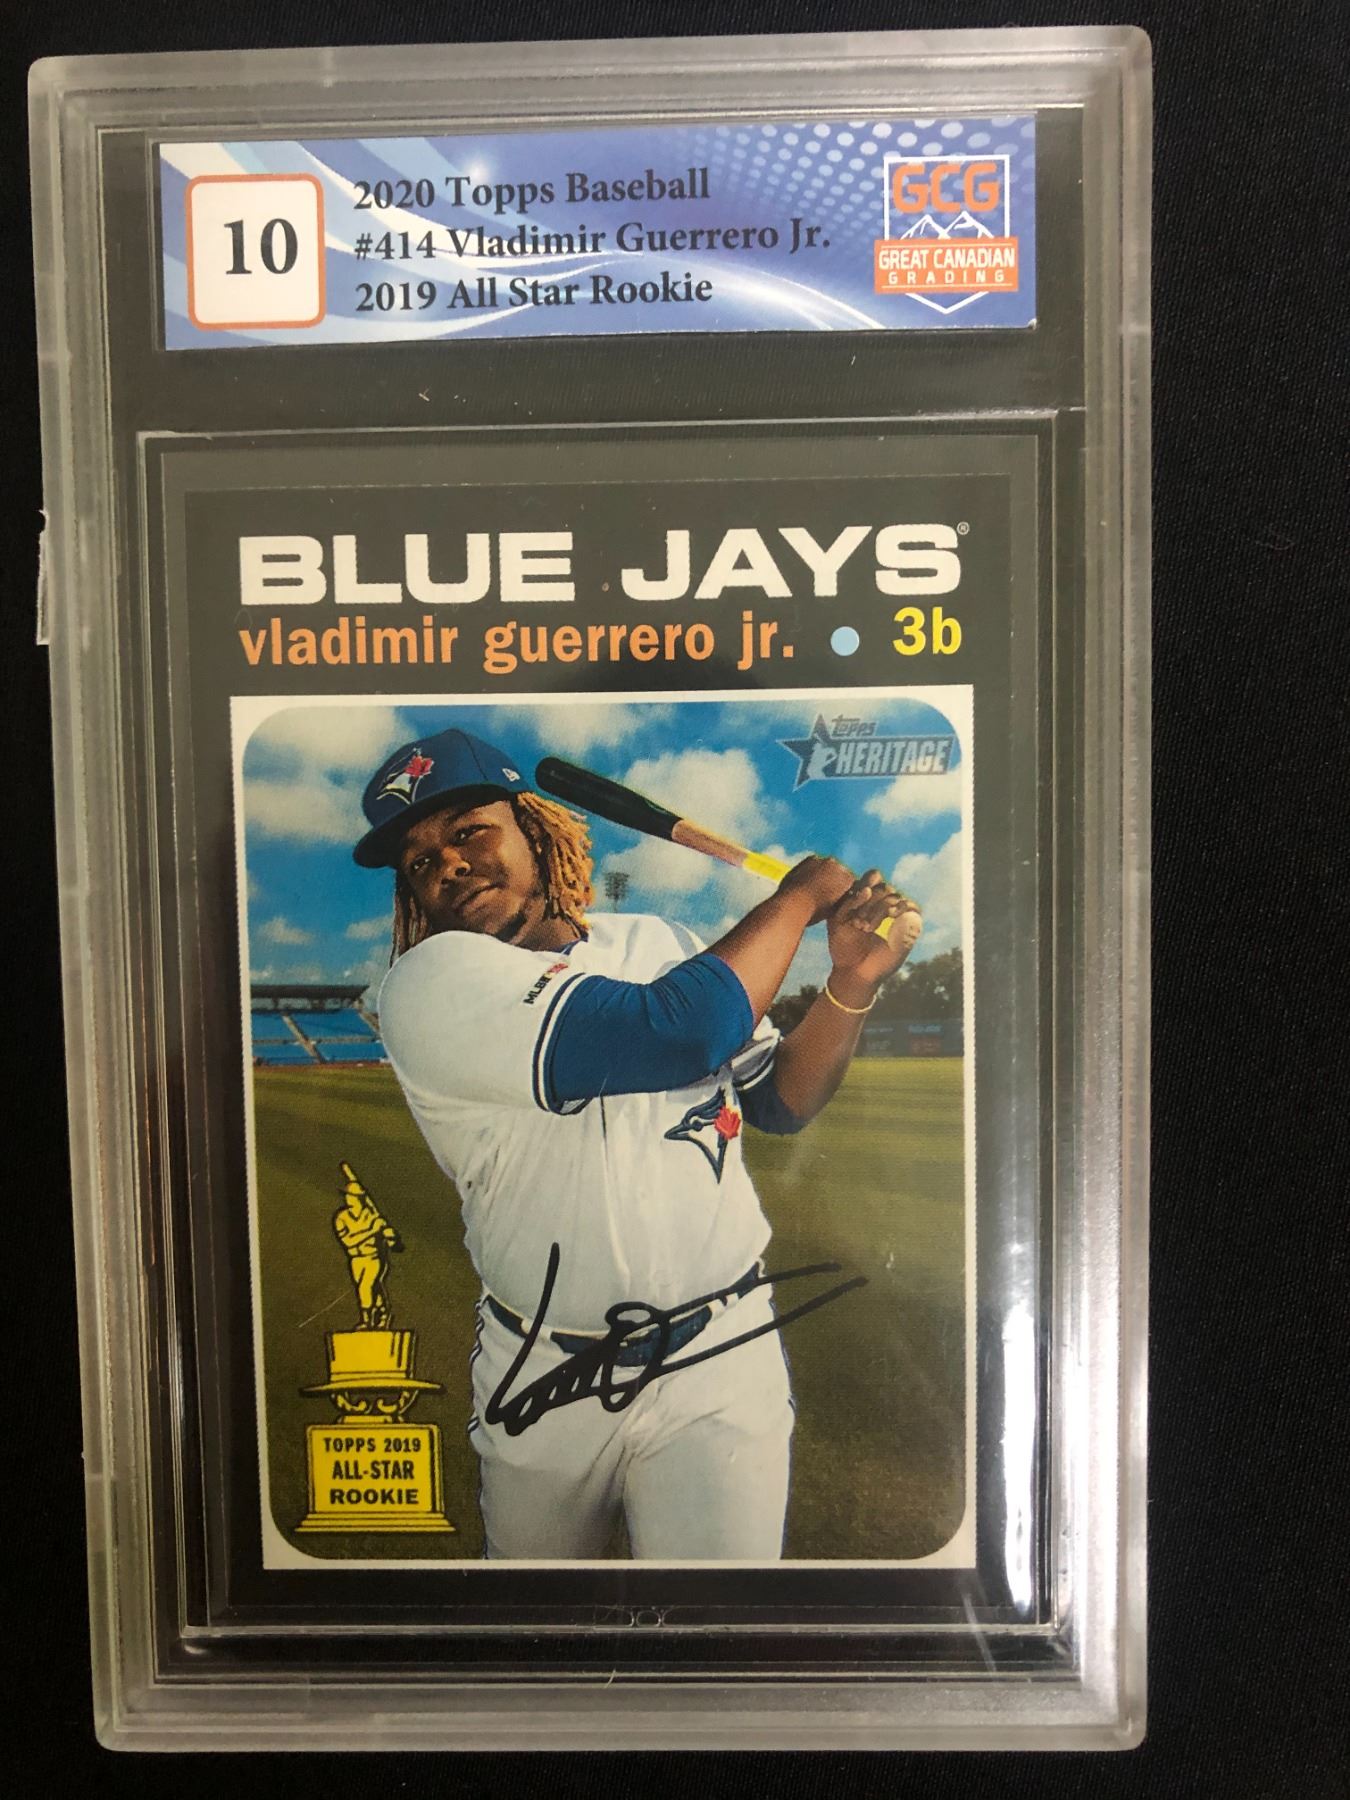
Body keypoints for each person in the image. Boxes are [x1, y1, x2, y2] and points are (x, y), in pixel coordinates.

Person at [353, 724, 921, 1560]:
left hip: (721, 1354)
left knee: (721, 1625)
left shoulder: (661, 943)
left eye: (470, 831)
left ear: (535, 829)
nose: (448, 866)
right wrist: (800, 897)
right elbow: (674, 1032)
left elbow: (780, 1101)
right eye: (419, 862)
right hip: (544, 1370)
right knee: (543, 1629)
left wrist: (850, 982)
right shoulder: (429, 984)